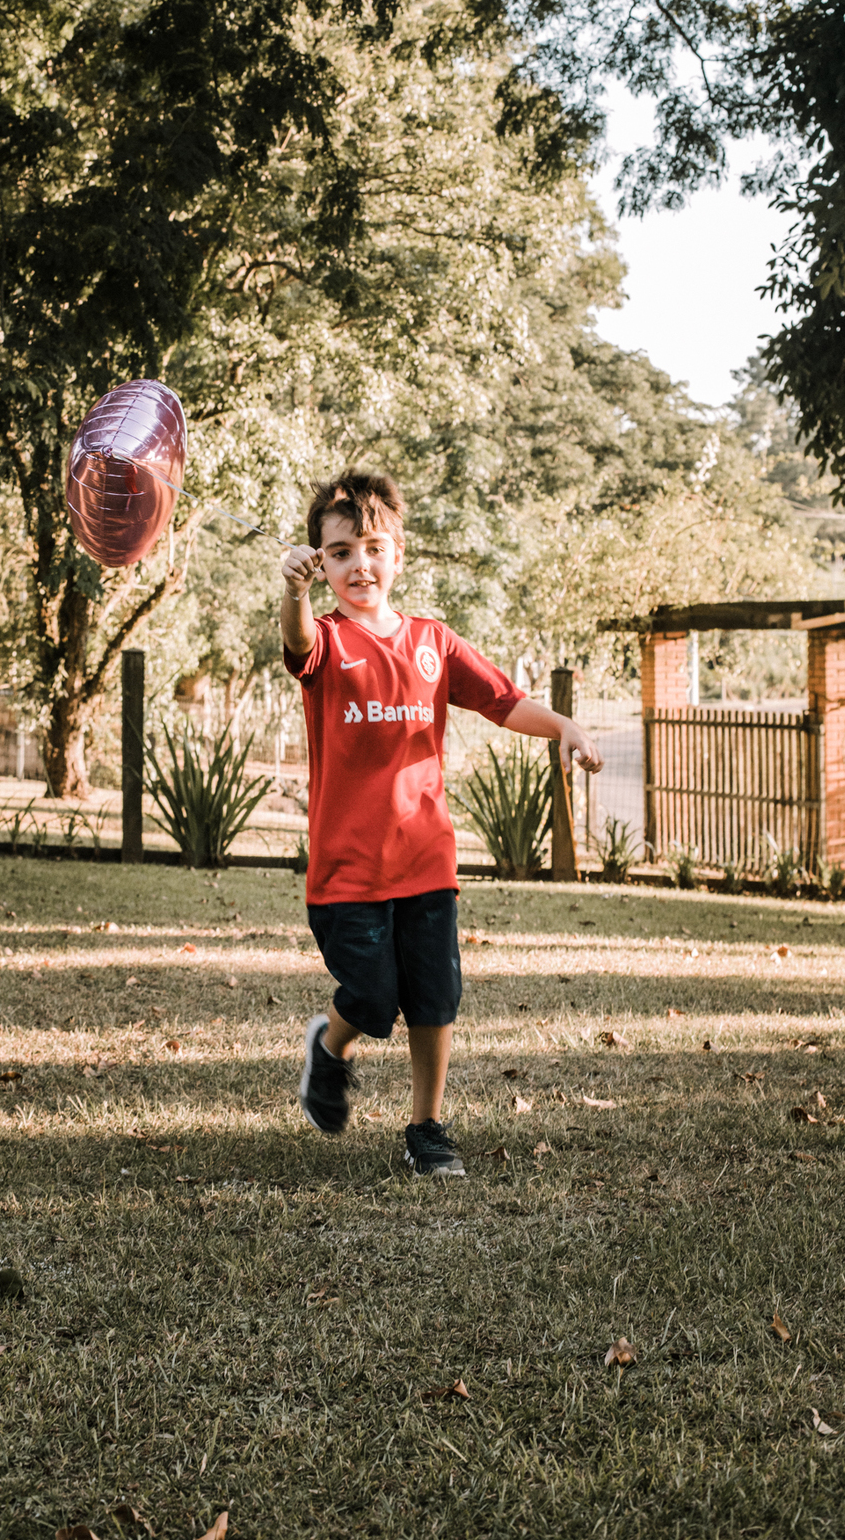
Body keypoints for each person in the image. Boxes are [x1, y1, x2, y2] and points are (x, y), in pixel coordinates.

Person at [281, 472, 603, 1178]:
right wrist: (293, 593)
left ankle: (427, 1128)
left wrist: (565, 727)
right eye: (339, 553)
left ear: (397, 554)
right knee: (371, 996)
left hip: (426, 860)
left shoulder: (433, 641)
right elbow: (297, 640)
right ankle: (329, 1049)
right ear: (322, 564)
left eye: (372, 547)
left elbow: (504, 702)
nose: (358, 564)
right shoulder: (327, 643)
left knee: (433, 996)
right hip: (347, 872)